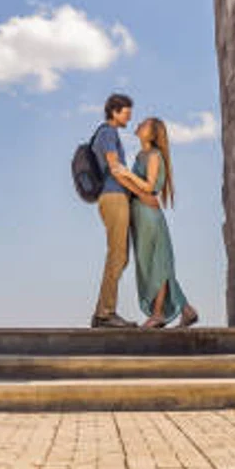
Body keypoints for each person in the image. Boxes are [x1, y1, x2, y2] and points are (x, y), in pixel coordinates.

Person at [108, 117, 198, 329]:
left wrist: (125, 174)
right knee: (154, 263)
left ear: (153, 133)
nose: (139, 124)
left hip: (149, 215)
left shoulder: (155, 155)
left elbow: (149, 187)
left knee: (157, 264)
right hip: (139, 215)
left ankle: (158, 314)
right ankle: (187, 310)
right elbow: (139, 189)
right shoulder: (141, 155)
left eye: (145, 124)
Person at [90, 93, 155, 328]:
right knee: (117, 255)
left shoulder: (109, 133)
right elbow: (116, 169)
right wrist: (141, 191)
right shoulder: (108, 132)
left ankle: (104, 311)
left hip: (114, 197)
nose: (129, 118)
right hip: (114, 196)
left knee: (120, 255)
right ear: (114, 112)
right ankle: (105, 314)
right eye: (126, 113)